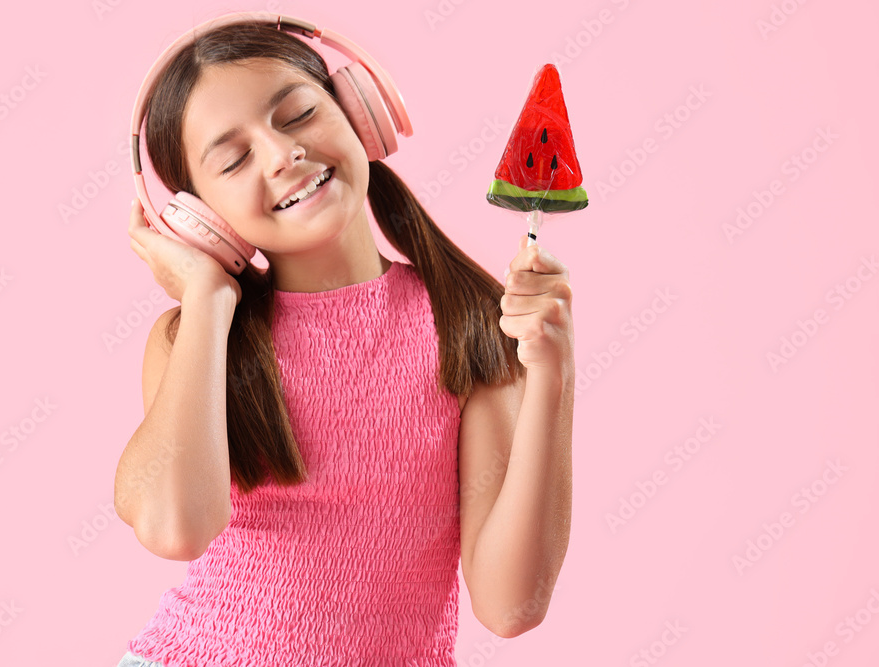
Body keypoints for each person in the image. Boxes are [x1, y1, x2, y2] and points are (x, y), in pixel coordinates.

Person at [116, 15, 574, 667]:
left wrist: (554, 374)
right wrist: (208, 299)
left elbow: (510, 604)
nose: (281, 155)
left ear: (359, 113)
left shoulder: (466, 322)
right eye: (235, 158)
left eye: (298, 114)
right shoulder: (196, 340)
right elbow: (172, 524)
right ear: (201, 218)